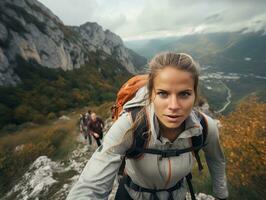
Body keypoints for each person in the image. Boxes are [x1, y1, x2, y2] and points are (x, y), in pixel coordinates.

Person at [67, 52, 228, 200]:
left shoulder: (205, 127)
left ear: (195, 95)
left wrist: (221, 196)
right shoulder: (130, 125)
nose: (173, 105)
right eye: (163, 93)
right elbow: (90, 185)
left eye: (184, 94)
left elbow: (216, 161)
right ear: (151, 94)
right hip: (132, 195)